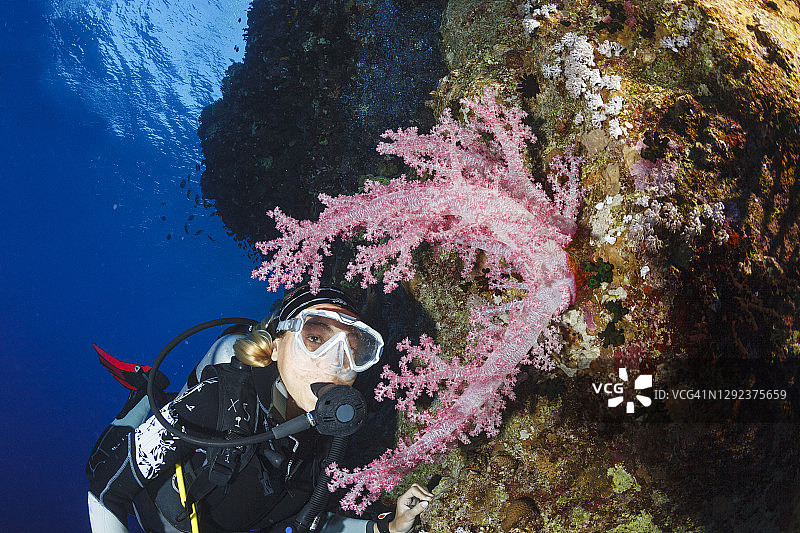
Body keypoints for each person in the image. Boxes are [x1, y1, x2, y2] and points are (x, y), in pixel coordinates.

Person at [87, 285, 433, 533]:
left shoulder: (322, 441)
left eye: (354, 350)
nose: (334, 364)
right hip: (157, 514)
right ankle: (146, 395)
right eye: (315, 338)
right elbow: (105, 492)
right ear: (278, 344)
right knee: (102, 460)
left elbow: (309, 519)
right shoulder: (217, 399)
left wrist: (388, 526)